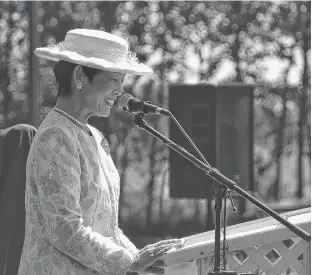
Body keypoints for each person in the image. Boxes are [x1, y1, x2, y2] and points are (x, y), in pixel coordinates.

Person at [18, 29, 182, 275]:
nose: (120, 91)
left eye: (122, 81)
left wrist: (137, 256)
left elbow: (107, 228)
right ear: (80, 76)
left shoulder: (95, 137)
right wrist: (129, 262)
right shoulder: (55, 136)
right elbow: (66, 229)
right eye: (114, 79)